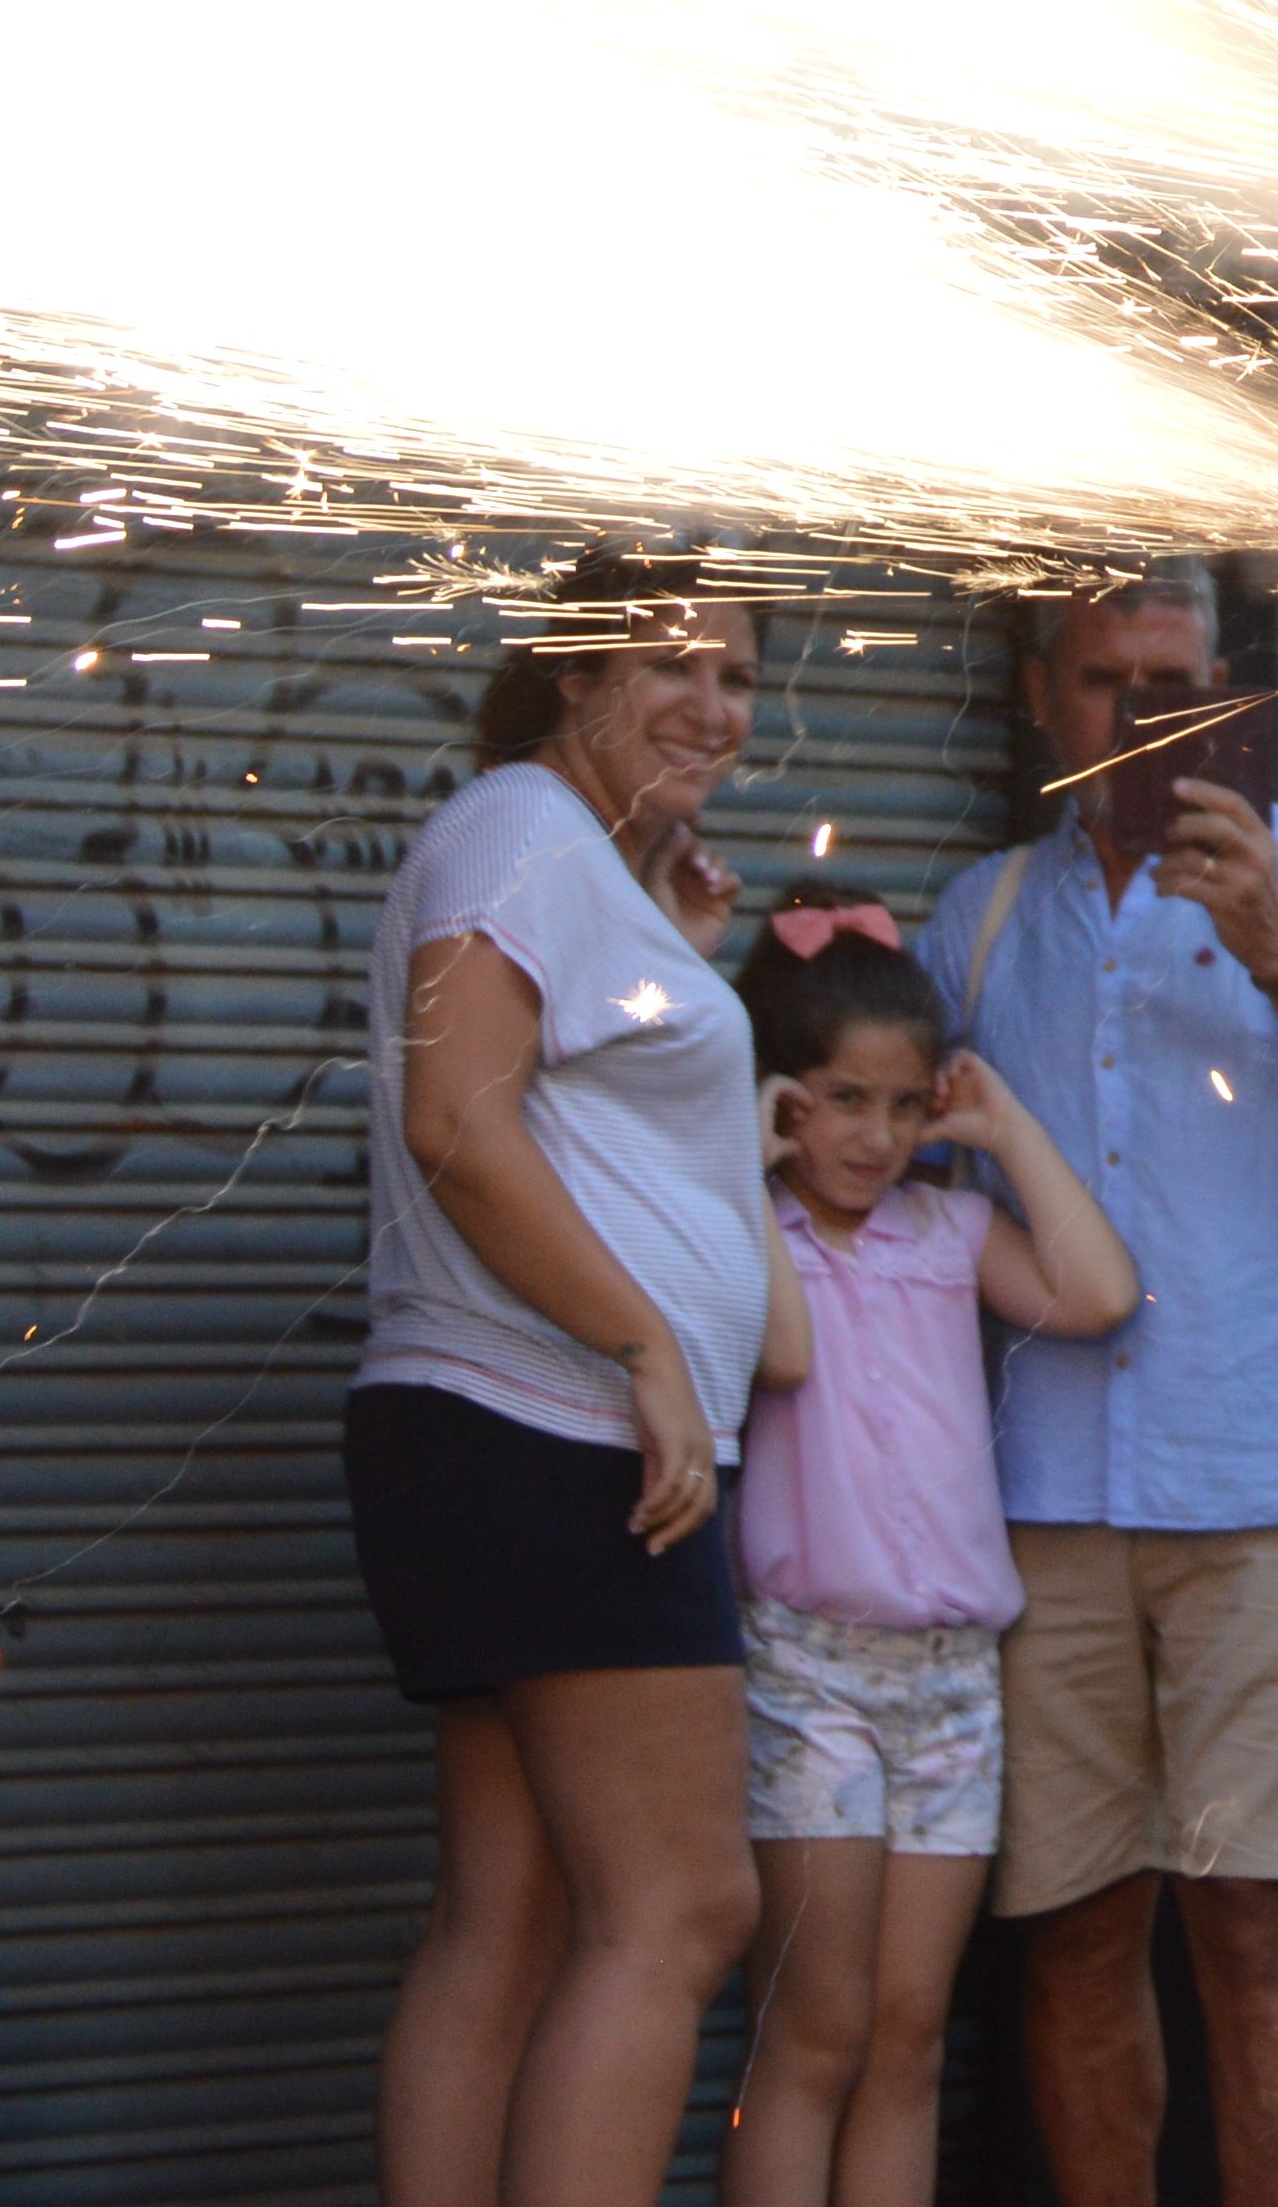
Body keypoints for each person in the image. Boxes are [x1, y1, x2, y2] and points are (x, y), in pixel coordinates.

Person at [914, 572, 1278, 2207]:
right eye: (1101, 687)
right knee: (1077, 1934)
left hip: (1272, 1493)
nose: (1134, 728)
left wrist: (1277, 953)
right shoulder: (986, 916)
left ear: (1226, 698)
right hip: (1044, 1500)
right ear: (1041, 698)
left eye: (1170, 690)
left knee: (1254, 1919)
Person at [351, 555, 789, 2207]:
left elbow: (574, 1102)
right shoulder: (522, 829)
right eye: (670, 663)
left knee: (518, 1916)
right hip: (561, 1438)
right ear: (569, 677)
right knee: (683, 1908)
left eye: (739, 676)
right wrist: (648, 1351)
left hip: (502, 1436)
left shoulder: (566, 862)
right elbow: (456, 1117)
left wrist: (664, 952)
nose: (712, 705)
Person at [722, 902, 1139, 2207]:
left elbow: (1099, 1293)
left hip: (957, 1682)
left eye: (906, 1105)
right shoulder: (752, 1240)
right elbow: (772, 1342)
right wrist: (734, 1165)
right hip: (809, 1678)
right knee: (817, 2032)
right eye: (842, 1100)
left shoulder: (951, 1235)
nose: (877, 1136)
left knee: (908, 2035)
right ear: (781, 1097)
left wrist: (1004, 1126)